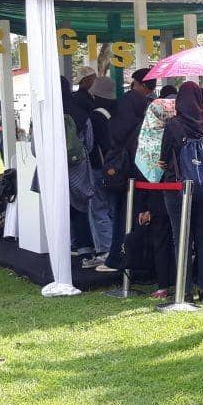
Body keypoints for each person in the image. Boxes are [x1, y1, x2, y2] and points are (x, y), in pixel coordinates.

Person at [159, 82, 203, 303]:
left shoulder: (173, 124)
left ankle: (185, 288)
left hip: (178, 187)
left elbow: (164, 159)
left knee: (181, 236)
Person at [98, 68, 155, 272]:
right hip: (148, 177)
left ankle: (118, 257)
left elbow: (115, 136)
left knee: (121, 216)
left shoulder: (123, 124)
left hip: (127, 176)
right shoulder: (150, 119)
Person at [83, 76, 118, 269]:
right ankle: (116, 247)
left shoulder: (95, 116)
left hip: (99, 166)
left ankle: (105, 250)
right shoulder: (118, 111)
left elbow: (90, 144)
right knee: (113, 208)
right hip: (117, 168)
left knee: (98, 208)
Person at [61, 75, 96, 260]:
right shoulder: (81, 112)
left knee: (58, 208)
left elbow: (36, 148)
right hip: (78, 166)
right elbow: (89, 144)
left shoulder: (45, 114)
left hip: (54, 168)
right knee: (80, 208)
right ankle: (85, 251)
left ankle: (62, 249)